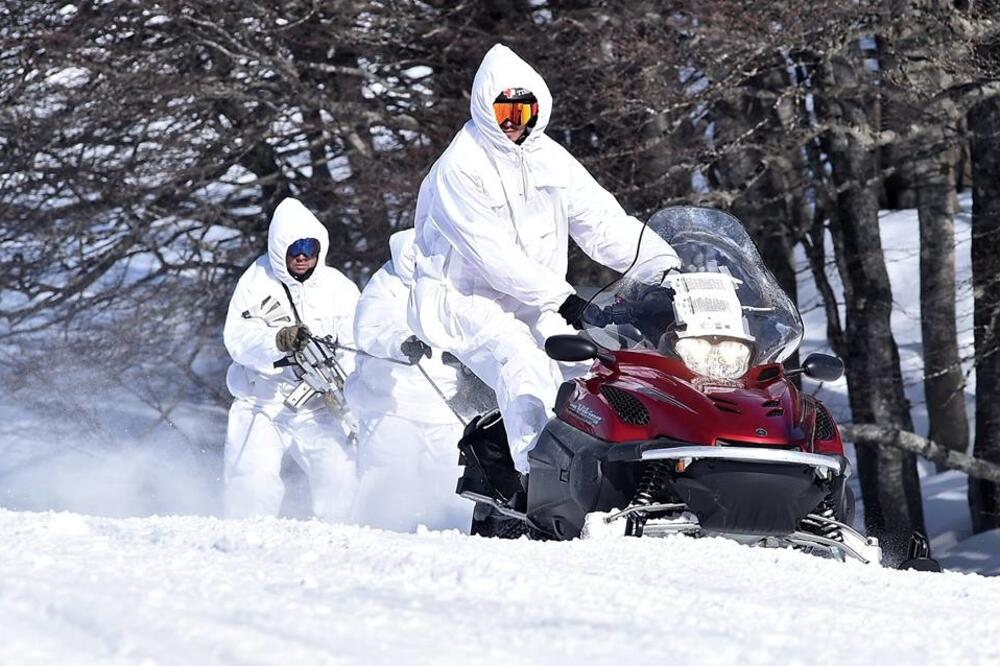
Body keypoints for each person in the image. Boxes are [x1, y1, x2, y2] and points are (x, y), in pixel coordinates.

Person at [407, 44, 680, 481]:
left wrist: (663, 268)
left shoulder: (549, 157)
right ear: (485, 109)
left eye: (524, 111)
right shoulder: (459, 166)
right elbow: (493, 256)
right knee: (522, 360)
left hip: (535, 299)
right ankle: (537, 476)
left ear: (539, 109)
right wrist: (566, 300)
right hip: (465, 299)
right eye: (504, 112)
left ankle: (614, 469)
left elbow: (602, 223)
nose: (514, 123)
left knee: (592, 365)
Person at [222, 197, 360, 521]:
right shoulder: (256, 282)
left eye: (308, 247)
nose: (301, 256)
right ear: (278, 248)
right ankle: (244, 539)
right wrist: (276, 342)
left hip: (318, 407)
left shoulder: (338, 287)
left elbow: (355, 344)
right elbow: (237, 339)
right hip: (262, 402)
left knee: (342, 478)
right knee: (252, 482)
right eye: (294, 248)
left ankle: (342, 541)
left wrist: (344, 390)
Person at [344, 229, 475, 533]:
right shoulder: (387, 284)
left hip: (443, 405)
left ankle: (453, 529)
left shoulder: (452, 283)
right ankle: (377, 528)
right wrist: (401, 342)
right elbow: (370, 328)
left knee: (452, 475)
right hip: (392, 404)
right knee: (389, 472)